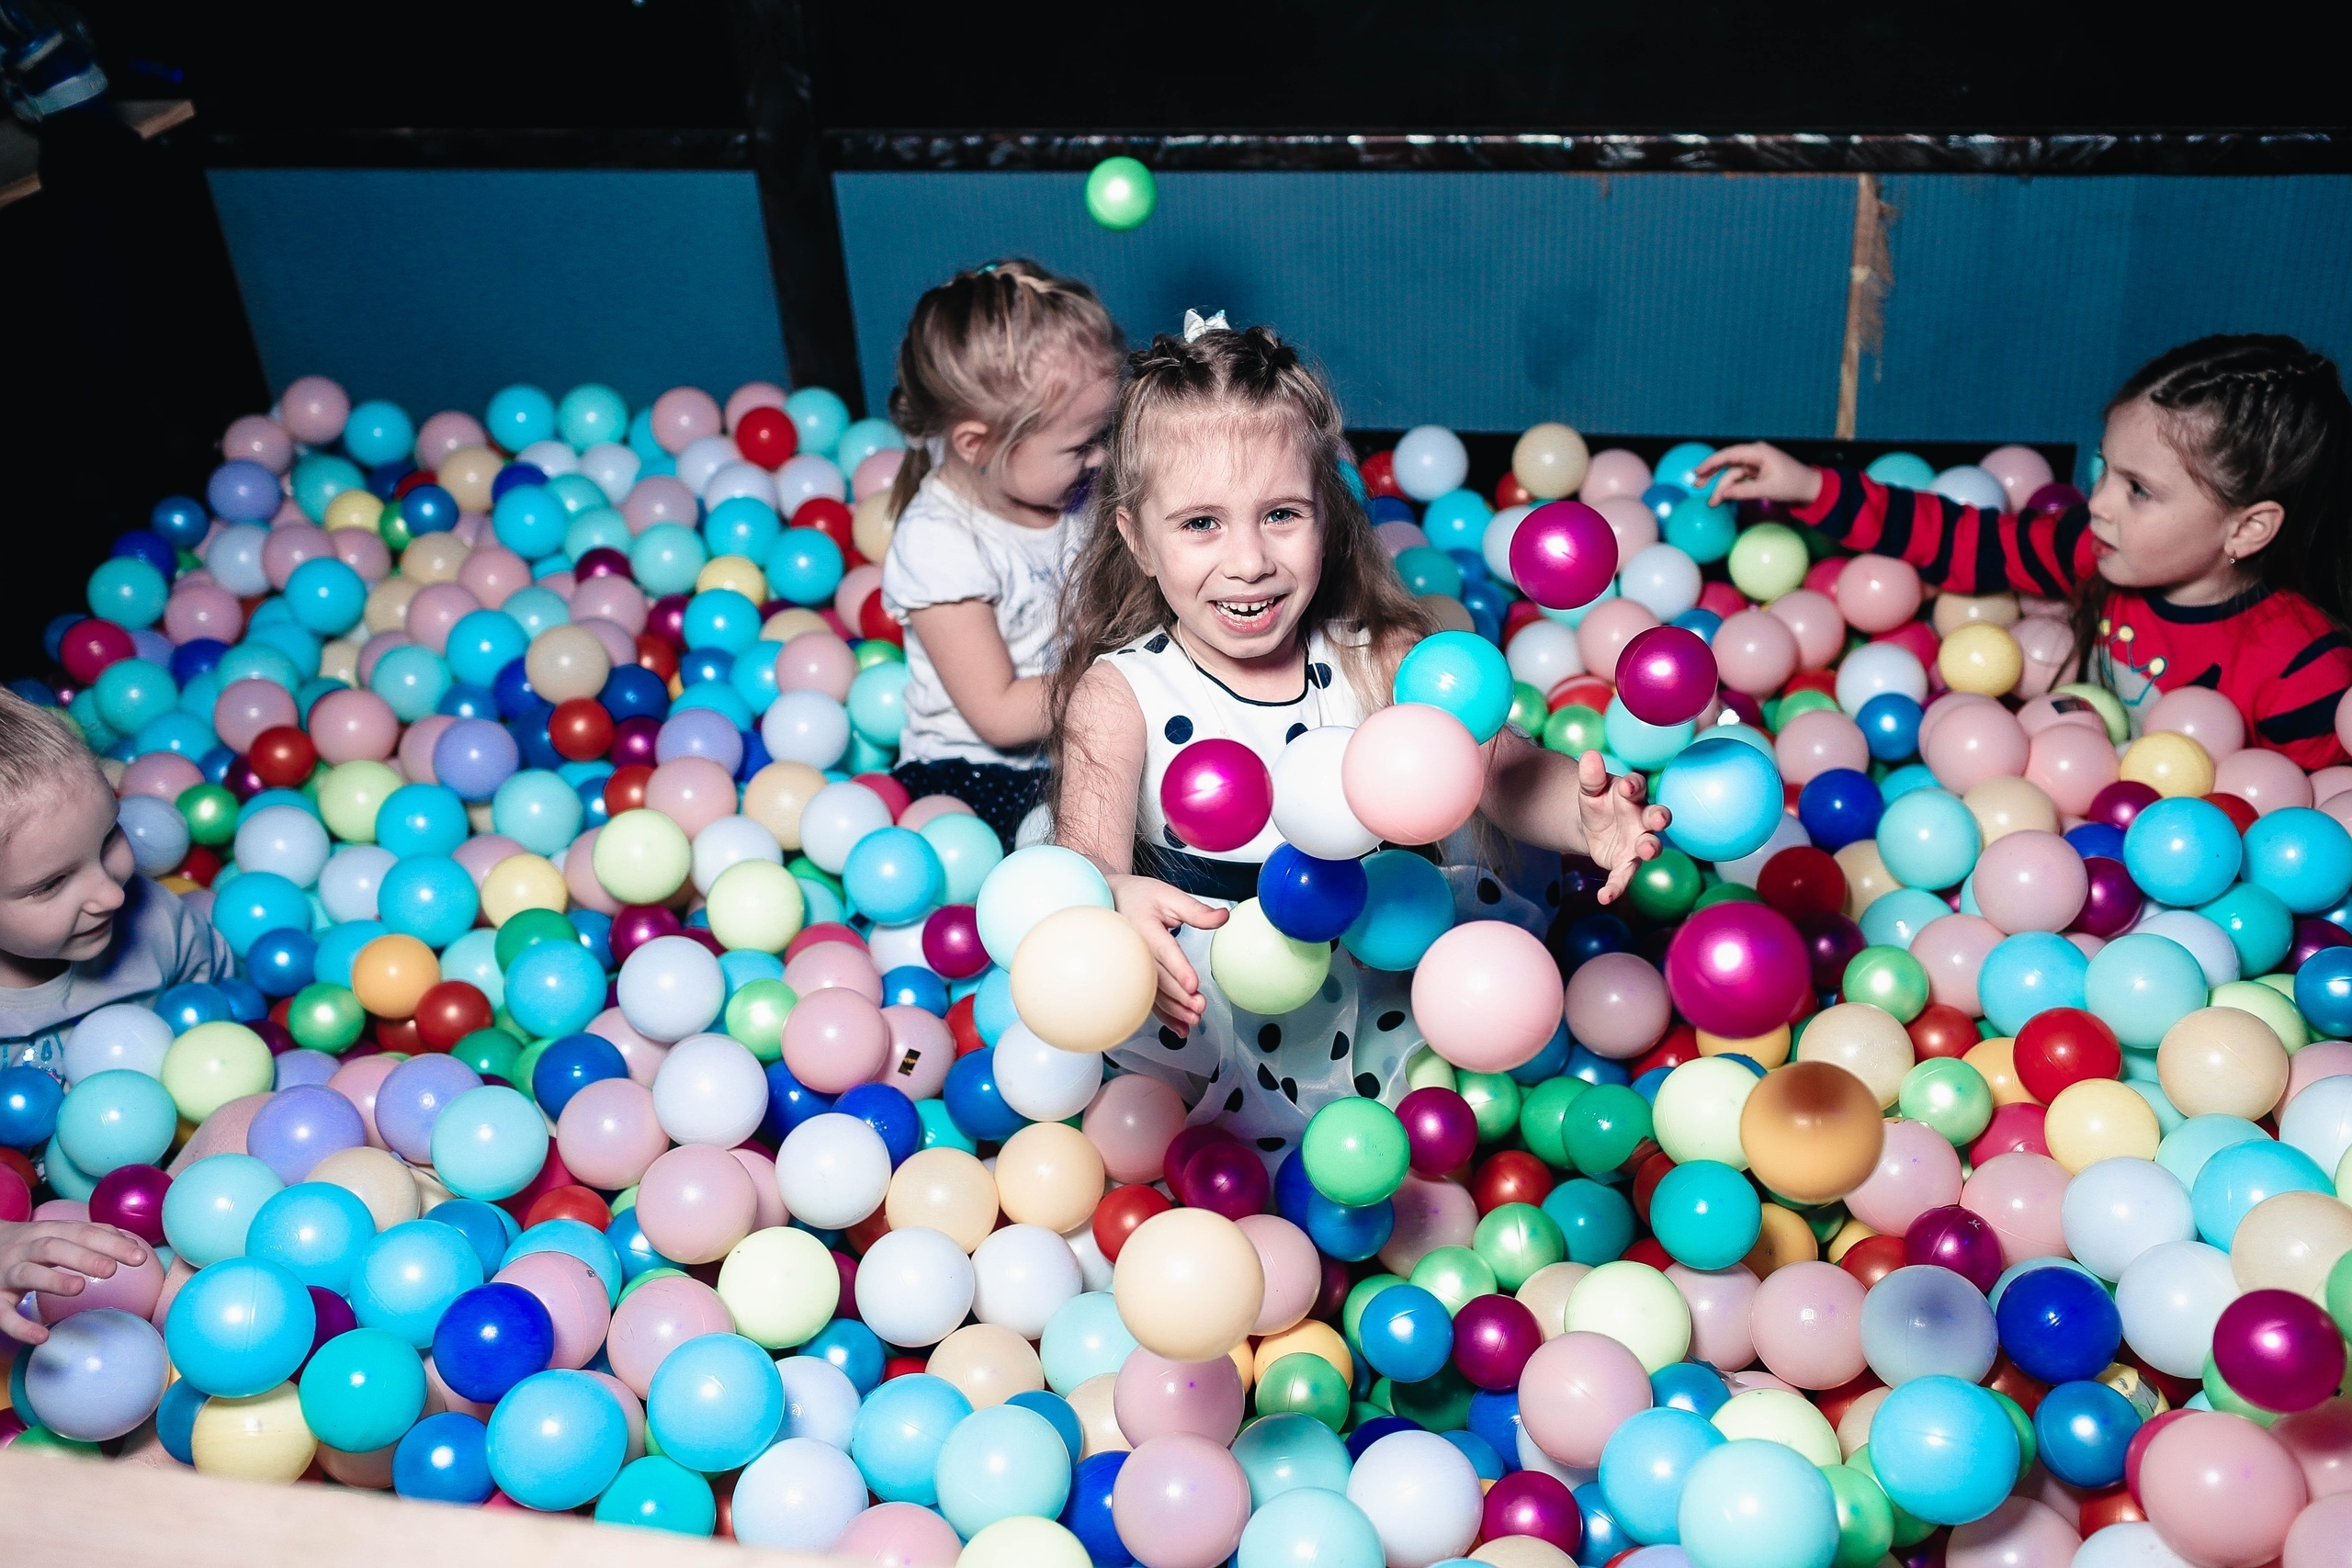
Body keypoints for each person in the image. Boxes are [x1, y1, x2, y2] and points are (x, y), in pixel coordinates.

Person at [1047, 320, 1666, 1150]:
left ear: (1329, 517)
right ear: (1137, 539)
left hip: (1387, 973)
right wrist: (1117, 904)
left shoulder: (1382, 656)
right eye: (1200, 524)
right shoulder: (1119, 695)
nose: (1249, 560)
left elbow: (1506, 774)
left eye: (1281, 514)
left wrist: (1588, 819)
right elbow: (1081, 867)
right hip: (1215, 998)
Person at [1698, 333, 2352, 766]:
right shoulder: (2092, 547)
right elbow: (1960, 539)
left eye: (2139, 490)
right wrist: (1811, 486)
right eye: (2104, 469)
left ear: (2247, 529)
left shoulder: (2304, 671)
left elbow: (2311, 820)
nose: (2098, 502)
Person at [879, 260, 1123, 844]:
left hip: (1080, 743)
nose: (1103, 457)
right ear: (979, 444)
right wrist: (1128, 673)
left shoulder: (1075, 493)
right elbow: (1000, 714)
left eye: (1107, 433)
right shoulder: (940, 541)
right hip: (976, 776)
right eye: (1082, 445)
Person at [1, 688, 232, 1077]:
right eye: (52, 884)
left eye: (109, 837)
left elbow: (223, 993)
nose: (112, 896)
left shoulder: (158, 923)